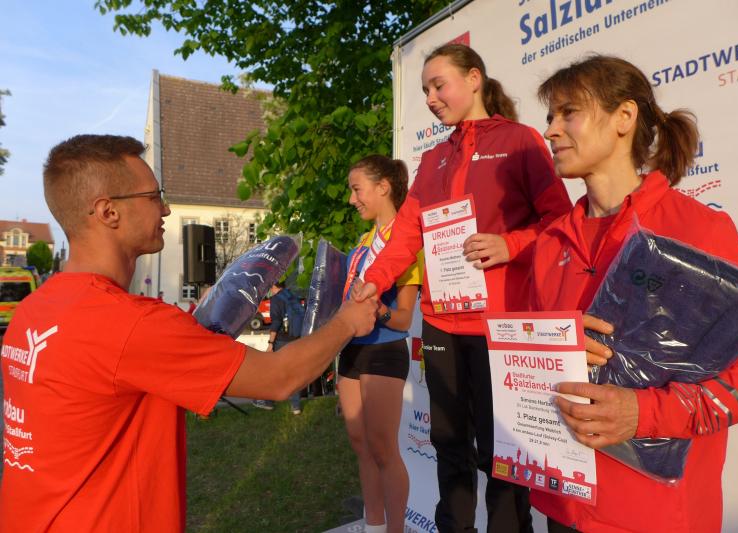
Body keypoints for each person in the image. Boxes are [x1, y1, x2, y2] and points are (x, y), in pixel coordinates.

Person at [0, 134, 378, 532]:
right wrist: (349, 320)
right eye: (153, 196)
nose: (165, 208)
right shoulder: (131, 323)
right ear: (109, 211)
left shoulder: (32, 310)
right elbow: (279, 378)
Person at [528, 55, 738, 532]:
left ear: (624, 117)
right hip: (564, 504)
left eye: (569, 112)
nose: (551, 130)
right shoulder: (550, 243)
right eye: (550, 116)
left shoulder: (698, 230)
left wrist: (645, 414)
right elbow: (528, 362)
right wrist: (547, 348)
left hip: (655, 516)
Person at [353, 44, 572, 533]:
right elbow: (406, 234)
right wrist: (373, 281)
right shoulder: (433, 158)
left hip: (501, 325)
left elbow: (560, 220)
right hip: (441, 323)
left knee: (501, 452)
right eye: (425, 90)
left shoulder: (519, 141)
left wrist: (510, 244)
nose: (431, 98)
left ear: (474, 79)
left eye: (439, 85)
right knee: (449, 443)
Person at [339, 155, 423, 533]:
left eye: (357, 190)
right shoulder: (363, 243)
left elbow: (404, 319)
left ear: (383, 187)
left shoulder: (407, 243)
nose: (352, 199)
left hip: (384, 349)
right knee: (360, 444)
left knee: (383, 448)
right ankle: (373, 524)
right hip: (352, 348)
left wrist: (380, 310)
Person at [252, 281, 304, 414]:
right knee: (294, 372)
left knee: (272, 370)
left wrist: (270, 343)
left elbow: (276, 322)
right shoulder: (292, 295)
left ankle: (268, 401)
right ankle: (296, 406)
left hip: (282, 340)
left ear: (273, 286)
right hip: (296, 338)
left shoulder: (276, 299)